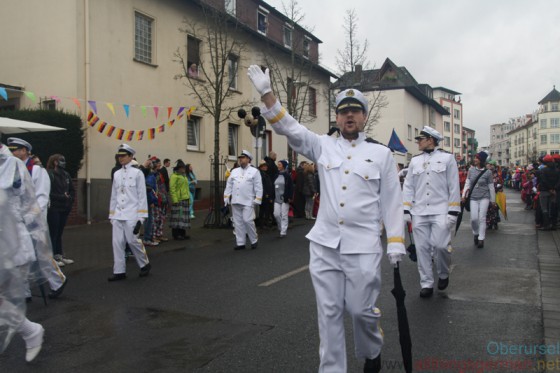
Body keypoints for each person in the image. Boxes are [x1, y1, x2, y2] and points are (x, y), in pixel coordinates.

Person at [248, 66, 405, 372]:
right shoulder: (323, 145)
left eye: (356, 111)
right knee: (329, 313)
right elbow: (290, 129)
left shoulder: (382, 155)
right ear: (336, 118)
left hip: (363, 247)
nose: (350, 116)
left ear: (364, 117)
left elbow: (392, 202)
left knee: (362, 312)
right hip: (325, 245)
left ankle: (371, 350)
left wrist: (396, 242)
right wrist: (267, 94)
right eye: (344, 111)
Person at [0, 142, 48, 362]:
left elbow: (31, 205)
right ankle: (30, 331)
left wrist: (17, 222)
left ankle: (30, 331)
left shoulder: (12, 165)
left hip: (14, 245)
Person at [402, 126, 461, 298]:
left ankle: (443, 273)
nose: (418, 142)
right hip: (419, 211)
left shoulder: (447, 158)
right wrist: (406, 208)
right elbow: (408, 186)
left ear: (430, 140)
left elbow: (453, 186)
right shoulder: (415, 161)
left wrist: (453, 211)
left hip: (440, 210)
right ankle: (426, 283)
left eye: (421, 139)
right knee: (422, 249)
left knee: (441, 246)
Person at [7, 138, 68, 299]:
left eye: (16, 150)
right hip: (16, 220)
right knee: (21, 257)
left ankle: (58, 281)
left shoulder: (36, 170)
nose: (13, 153)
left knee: (42, 255)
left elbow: (41, 197)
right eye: (11, 150)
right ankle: (25, 291)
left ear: (26, 151)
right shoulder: (11, 170)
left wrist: (29, 217)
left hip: (34, 221)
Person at [108, 144, 151, 281]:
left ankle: (144, 264)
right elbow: (114, 195)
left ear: (131, 157)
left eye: (124, 156)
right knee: (117, 243)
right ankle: (119, 271)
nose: (121, 158)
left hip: (132, 214)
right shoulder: (116, 174)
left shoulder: (137, 173)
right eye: (119, 156)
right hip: (118, 214)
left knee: (133, 241)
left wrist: (141, 217)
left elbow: (142, 195)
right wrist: (112, 215)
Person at [223, 150, 263, 250]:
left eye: (243, 158)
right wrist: (226, 196)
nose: (241, 160)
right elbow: (229, 184)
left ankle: (254, 239)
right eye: (240, 158)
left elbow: (258, 186)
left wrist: (258, 198)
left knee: (248, 220)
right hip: (236, 200)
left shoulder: (255, 171)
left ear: (248, 159)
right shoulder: (234, 171)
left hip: (248, 200)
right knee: (238, 222)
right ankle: (240, 242)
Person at [46, 154, 75, 266]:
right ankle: (53, 257)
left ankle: (59, 255)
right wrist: (62, 197)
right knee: (54, 232)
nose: (64, 162)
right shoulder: (50, 174)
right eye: (61, 160)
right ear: (55, 162)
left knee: (59, 233)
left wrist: (70, 200)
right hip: (54, 208)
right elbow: (48, 192)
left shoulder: (66, 175)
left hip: (64, 208)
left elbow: (72, 190)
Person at [461, 152, 495, 247]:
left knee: (482, 218)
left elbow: (491, 187)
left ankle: (481, 238)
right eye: (475, 158)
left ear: (481, 160)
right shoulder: (471, 170)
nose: (475, 159)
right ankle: (476, 233)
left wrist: (493, 200)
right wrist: (464, 195)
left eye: (477, 158)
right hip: (473, 198)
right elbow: (467, 184)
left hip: (484, 197)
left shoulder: (488, 172)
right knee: (474, 219)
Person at [169, 160, 191, 240]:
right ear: (178, 169)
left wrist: (189, 198)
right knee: (177, 218)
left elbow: (186, 188)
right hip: (178, 200)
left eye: (184, 168)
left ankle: (182, 233)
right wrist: (175, 199)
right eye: (182, 168)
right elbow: (172, 188)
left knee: (183, 218)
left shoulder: (184, 176)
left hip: (185, 199)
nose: (183, 169)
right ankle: (176, 234)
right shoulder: (174, 176)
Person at [273, 159, 293, 238]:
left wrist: (289, 197)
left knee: (284, 215)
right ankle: (280, 227)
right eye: (278, 164)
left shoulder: (287, 176)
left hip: (285, 198)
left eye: (280, 164)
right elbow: (273, 186)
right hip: (276, 198)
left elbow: (290, 188)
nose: (278, 166)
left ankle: (283, 231)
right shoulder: (276, 175)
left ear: (283, 166)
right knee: (276, 214)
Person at [257, 160, 275, 229]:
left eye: (266, 166)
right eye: (264, 166)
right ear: (261, 167)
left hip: (267, 194)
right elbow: (262, 186)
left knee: (266, 209)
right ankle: (262, 224)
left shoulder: (265, 174)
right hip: (265, 195)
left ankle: (265, 223)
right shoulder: (261, 175)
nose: (266, 167)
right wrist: (266, 194)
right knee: (263, 210)